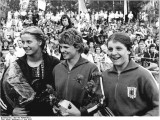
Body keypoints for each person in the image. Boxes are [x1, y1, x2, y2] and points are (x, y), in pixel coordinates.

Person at [1, 26, 60, 116]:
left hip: (49, 115)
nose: (25, 45)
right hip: (26, 116)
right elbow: (2, 92)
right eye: (23, 42)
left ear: (40, 42)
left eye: (29, 42)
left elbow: (63, 89)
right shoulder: (16, 65)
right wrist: (11, 110)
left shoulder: (53, 63)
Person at [102, 32, 159, 116]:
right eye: (110, 49)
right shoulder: (104, 76)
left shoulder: (143, 75)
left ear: (129, 50)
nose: (113, 53)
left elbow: (158, 107)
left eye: (118, 48)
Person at [52, 28, 101, 116]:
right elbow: (53, 94)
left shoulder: (92, 69)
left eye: (66, 47)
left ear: (77, 47)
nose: (62, 50)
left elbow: (99, 100)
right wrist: (54, 105)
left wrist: (80, 112)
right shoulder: (57, 68)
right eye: (61, 47)